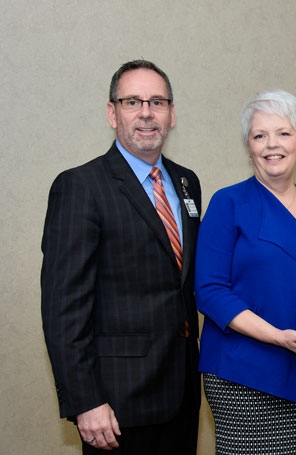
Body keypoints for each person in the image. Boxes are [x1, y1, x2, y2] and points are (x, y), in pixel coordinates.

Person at [41, 60, 202, 454]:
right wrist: (86, 401)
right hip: (115, 403)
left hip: (181, 393)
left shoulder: (187, 183)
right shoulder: (80, 186)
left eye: (157, 102)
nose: (146, 113)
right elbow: (63, 307)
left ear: (172, 114)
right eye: (133, 101)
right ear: (112, 113)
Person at [194, 89, 296, 455]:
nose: (271, 145)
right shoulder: (227, 203)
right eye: (259, 135)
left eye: (283, 133)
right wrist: (279, 337)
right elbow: (210, 292)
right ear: (248, 146)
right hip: (244, 376)